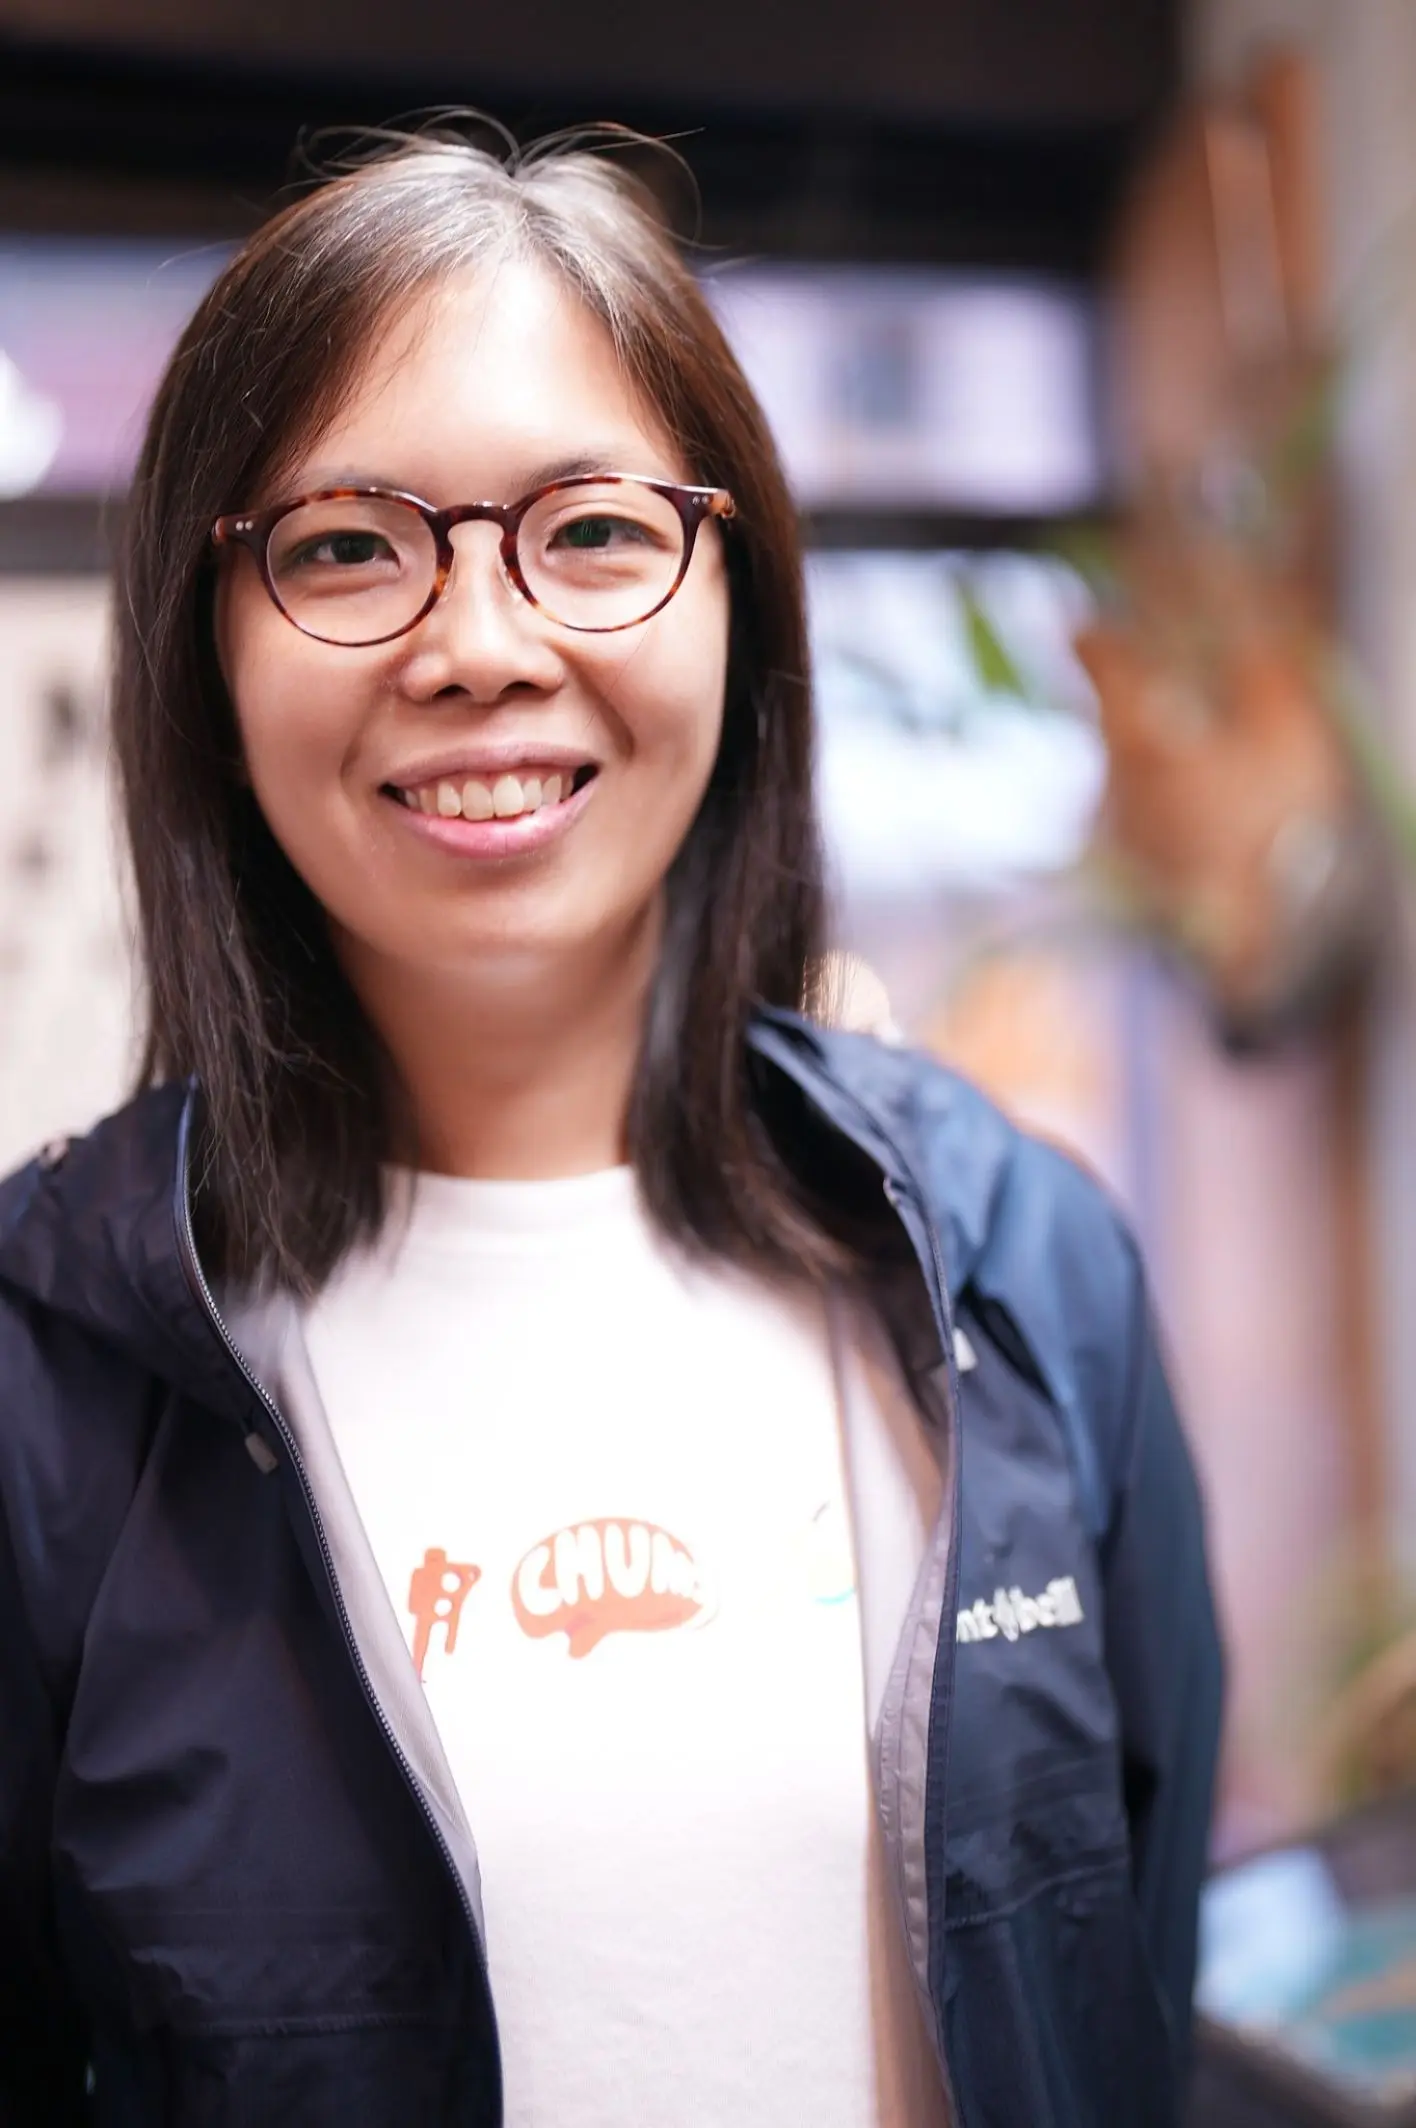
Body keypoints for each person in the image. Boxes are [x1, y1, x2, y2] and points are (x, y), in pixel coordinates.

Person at [0, 128, 1222, 2128]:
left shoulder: (1018, 1263)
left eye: (589, 529)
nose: (481, 644)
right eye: (347, 545)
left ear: (737, 602)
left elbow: (1126, 2001)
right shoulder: (46, 1375)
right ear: (205, 645)